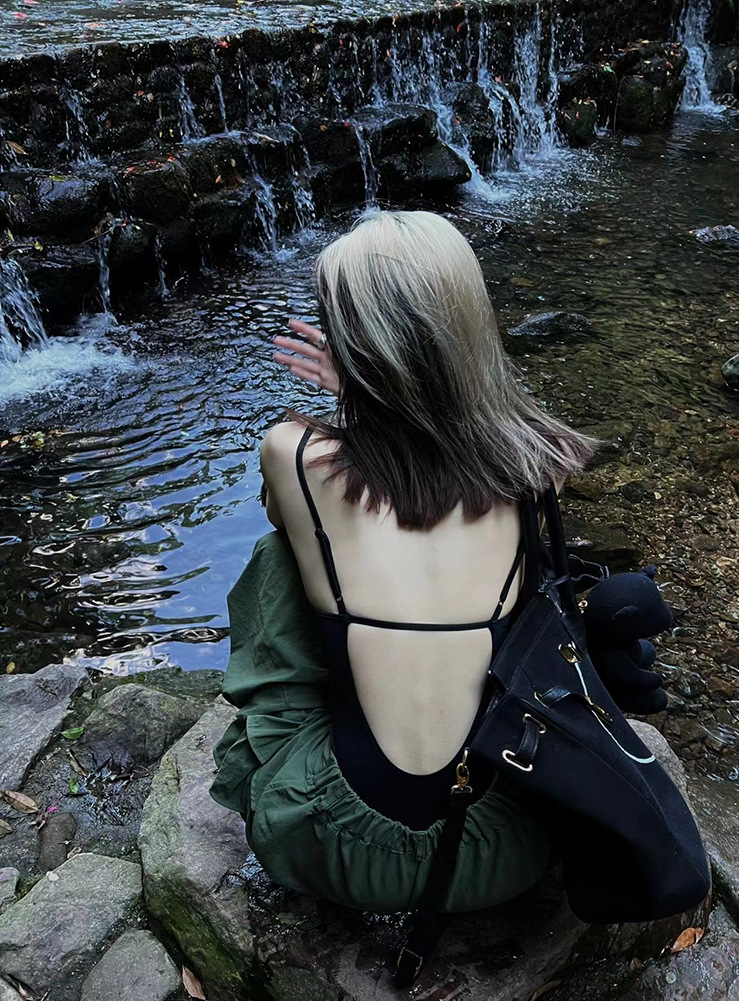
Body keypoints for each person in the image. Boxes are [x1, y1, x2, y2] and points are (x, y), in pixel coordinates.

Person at [209, 210, 597, 914]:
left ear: (361, 346)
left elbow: (285, 514)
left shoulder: (294, 455)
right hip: (501, 845)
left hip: (342, 845)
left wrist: (356, 398)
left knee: (281, 553)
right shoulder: (540, 463)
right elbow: (454, 436)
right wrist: (385, 392)